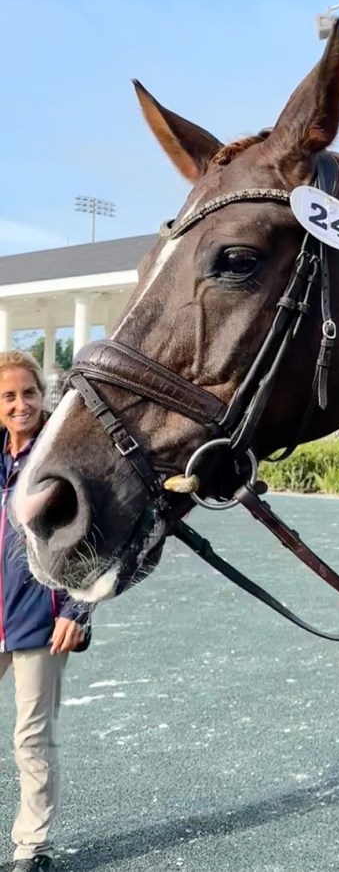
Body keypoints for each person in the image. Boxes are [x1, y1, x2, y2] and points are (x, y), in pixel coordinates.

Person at [0, 351, 93, 871]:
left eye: (29, 393)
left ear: (44, 395)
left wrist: (77, 612)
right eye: (9, 396)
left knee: (32, 737)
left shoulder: (64, 458)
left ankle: (31, 847)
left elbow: (93, 542)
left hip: (42, 618)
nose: (21, 404)